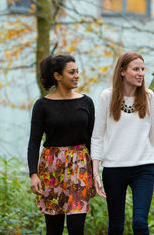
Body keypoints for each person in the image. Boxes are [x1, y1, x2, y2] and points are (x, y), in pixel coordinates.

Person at [90, 52, 154, 235]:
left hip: (143, 168)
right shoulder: (107, 97)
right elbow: (96, 137)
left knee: (140, 223)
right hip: (114, 169)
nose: (140, 73)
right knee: (116, 226)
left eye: (142, 69)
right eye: (135, 69)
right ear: (122, 71)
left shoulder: (149, 97)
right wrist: (95, 173)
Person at [27, 54, 95, 235]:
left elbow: (92, 140)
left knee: (76, 227)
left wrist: (95, 172)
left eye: (77, 72)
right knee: (53, 229)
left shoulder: (86, 102)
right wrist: (33, 174)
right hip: (51, 168)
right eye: (71, 72)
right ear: (57, 76)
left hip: (80, 166)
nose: (77, 76)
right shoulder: (42, 105)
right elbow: (34, 142)